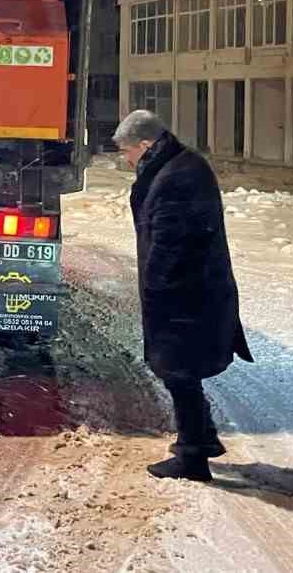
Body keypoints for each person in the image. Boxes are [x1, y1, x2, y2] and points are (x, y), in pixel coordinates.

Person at [113, 109, 253, 482]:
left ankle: (193, 457)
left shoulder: (178, 176)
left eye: (128, 151)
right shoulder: (177, 165)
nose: (127, 160)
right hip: (191, 291)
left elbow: (170, 244)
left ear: (146, 144)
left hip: (186, 295)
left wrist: (154, 288)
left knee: (178, 372)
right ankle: (202, 436)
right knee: (180, 370)